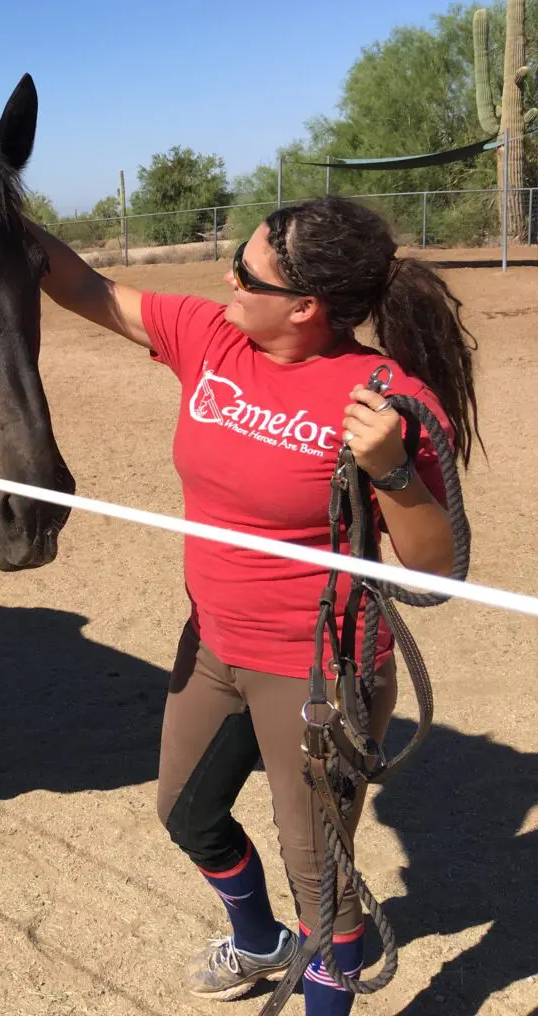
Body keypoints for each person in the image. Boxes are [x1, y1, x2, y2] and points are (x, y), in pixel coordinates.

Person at [29, 195, 479, 1014]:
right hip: (213, 644)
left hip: (318, 674)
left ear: (305, 307)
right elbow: (85, 288)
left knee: (324, 887)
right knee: (185, 812)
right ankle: (259, 940)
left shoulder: (382, 398)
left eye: (246, 272)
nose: (225, 280)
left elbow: (434, 566)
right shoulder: (212, 338)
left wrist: (391, 472)